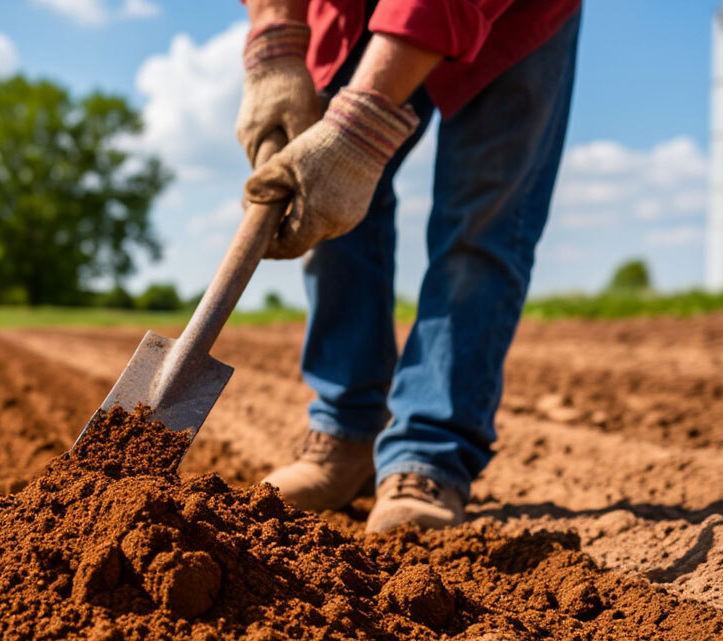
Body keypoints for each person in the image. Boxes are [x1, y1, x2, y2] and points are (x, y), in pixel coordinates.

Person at [236, 0, 581, 531]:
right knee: (322, 194)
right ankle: (345, 434)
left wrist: (359, 126)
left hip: (514, 15)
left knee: (481, 225)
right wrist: (275, 43)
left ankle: (428, 454)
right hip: (351, 11)